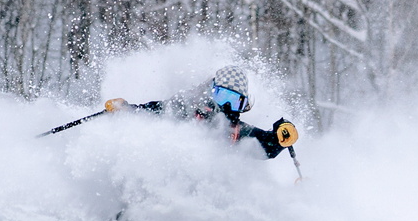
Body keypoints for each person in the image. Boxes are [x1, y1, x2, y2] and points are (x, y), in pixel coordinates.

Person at [103, 65, 298, 159]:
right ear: (211, 90)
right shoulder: (187, 108)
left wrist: (280, 136)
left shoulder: (234, 131)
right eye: (223, 96)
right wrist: (128, 109)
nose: (228, 106)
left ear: (243, 105)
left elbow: (264, 145)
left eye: (235, 101)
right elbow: (156, 109)